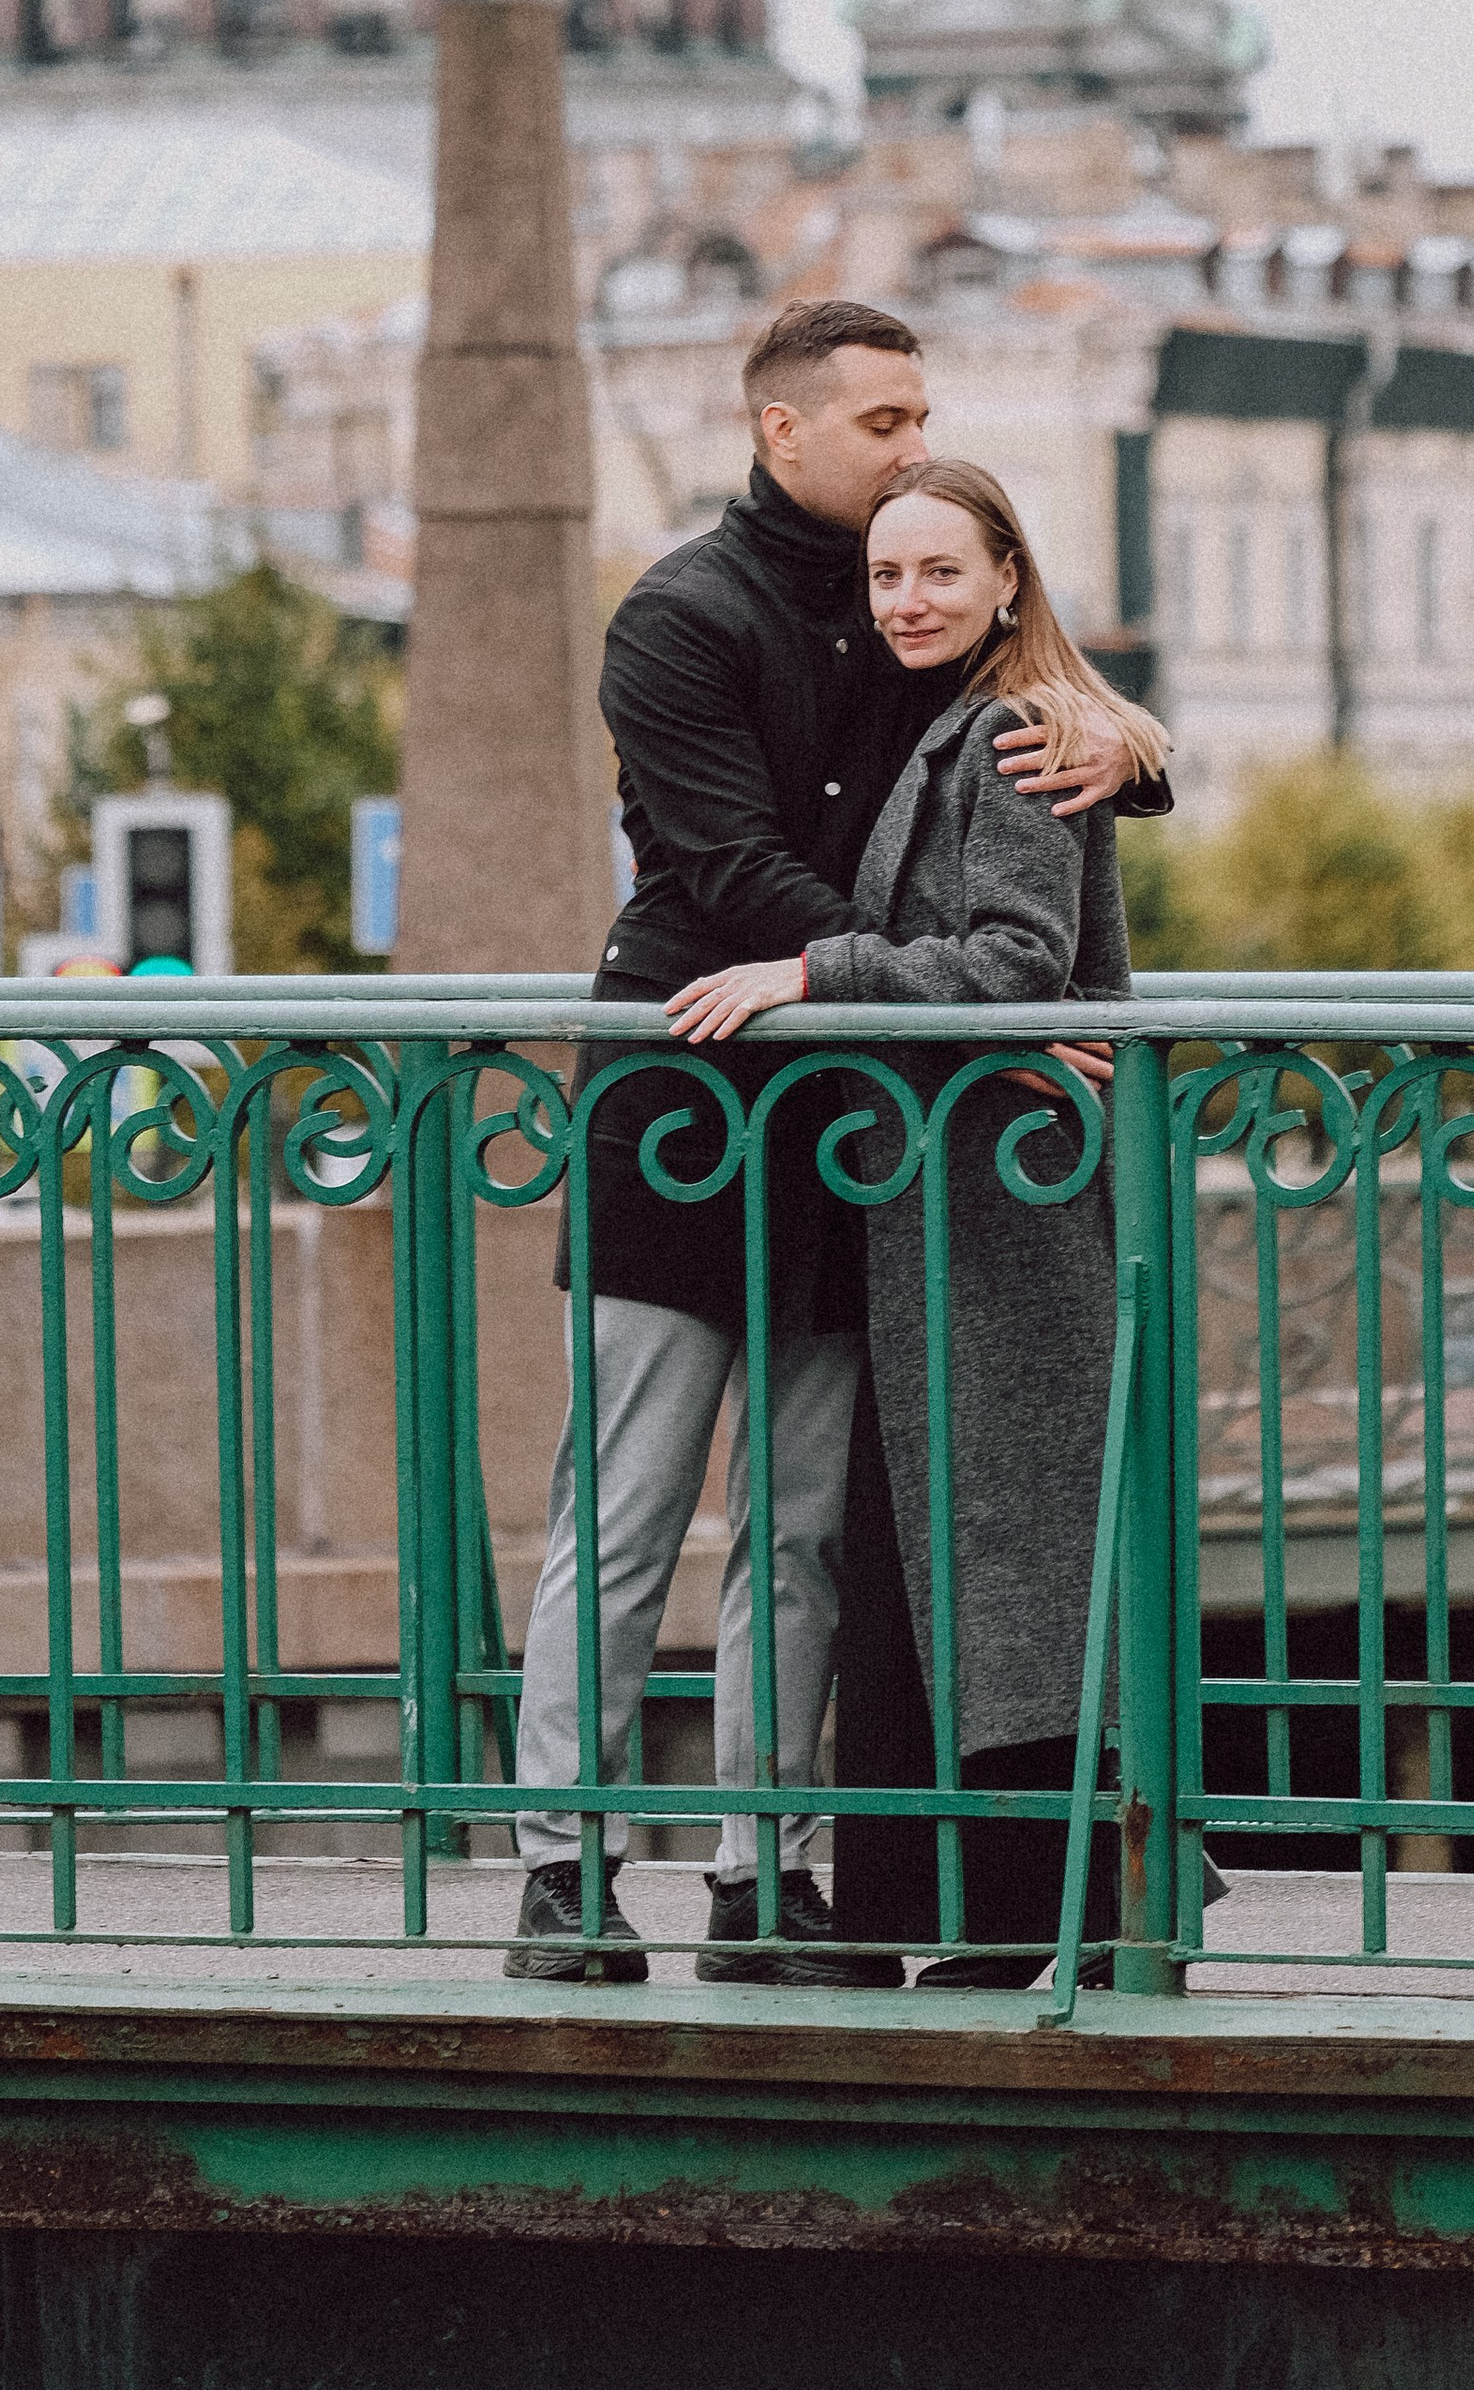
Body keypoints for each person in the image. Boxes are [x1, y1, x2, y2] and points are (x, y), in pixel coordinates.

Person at [506, 305, 1166, 1986]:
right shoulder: (678, 615)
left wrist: (1130, 747)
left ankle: (764, 1878)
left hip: (848, 1125)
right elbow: (728, 868)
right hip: (679, 1091)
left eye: (922, 417)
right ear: (781, 432)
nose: (912, 446)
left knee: (800, 1530)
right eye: (883, 421)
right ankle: (564, 1870)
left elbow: (1023, 736)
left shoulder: (907, 604)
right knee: (629, 1510)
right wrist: (954, 1006)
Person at [668, 454, 1166, 1988]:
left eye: (941, 571)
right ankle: (1026, 1914)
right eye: (887, 575)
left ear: (1009, 581)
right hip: (963, 1202)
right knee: (976, 1569)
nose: (907, 599)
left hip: (1002, 1211)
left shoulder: (1011, 732)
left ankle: (1039, 1921)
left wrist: (812, 974)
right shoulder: (981, 719)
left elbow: (1015, 959)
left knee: (1003, 1569)